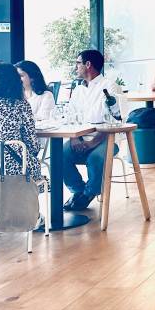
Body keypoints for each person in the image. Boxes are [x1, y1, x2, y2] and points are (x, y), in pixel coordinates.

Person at [62, 49, 119, 211]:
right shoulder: (78, 89)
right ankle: (78, 191)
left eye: (78, 63)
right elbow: (70, 116)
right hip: (80, 137)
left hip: (105, 138)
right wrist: (74, 138)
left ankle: (89, 194)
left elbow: (114, 120)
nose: (76, 67)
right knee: (60, 155)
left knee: (96, 158)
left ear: (88, 65)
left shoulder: (109, 86)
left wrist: (94, 142)